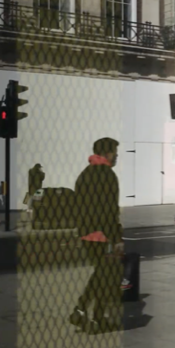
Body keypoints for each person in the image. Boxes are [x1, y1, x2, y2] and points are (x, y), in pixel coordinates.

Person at [68, 139, 125, 333]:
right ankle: (82, 309)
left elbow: (76, 206)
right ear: (107, 153)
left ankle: (94, 317)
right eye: (115, 152)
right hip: (103, 235)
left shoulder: (84, 174)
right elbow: (110, 210)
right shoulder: (108, 175)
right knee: (104, 275)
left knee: (102, 274)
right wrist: (116, 238)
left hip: (86, 234)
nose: (117, 155)